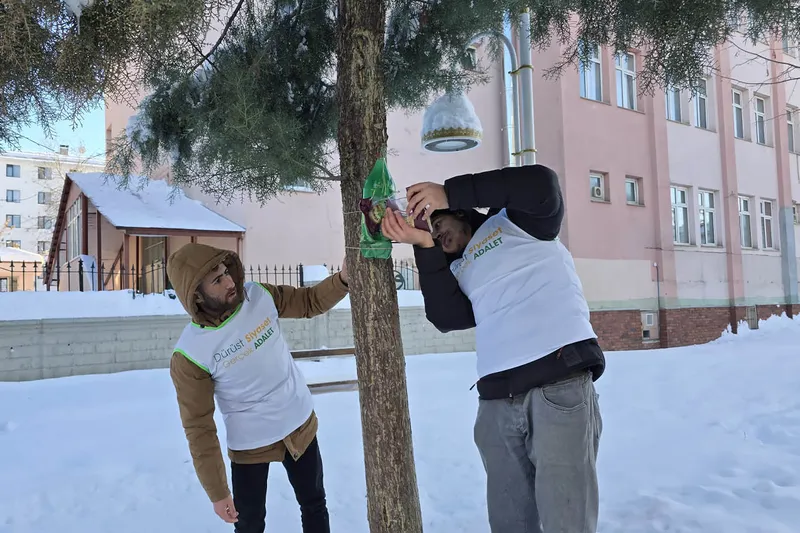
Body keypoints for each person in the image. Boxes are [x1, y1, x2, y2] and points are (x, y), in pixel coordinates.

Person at [381, 164, 605, 533]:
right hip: (497, 403)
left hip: (558, 383)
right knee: (509, 524)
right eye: (432, 233)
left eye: (438, 223)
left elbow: (541, 183)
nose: (437, 233)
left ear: (458, 212)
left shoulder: (520, 221)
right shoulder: (460, 270)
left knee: (567, 521)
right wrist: (423, 245)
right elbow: (446, 317)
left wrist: (449, 191)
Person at [166, 243, 349, 533]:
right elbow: (199, 426)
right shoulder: (190, 354)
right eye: (217, 280)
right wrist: (217, 491)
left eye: (226, 272)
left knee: (314, 504)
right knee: (249, 525)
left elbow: (309, 301)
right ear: (196, 295)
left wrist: (343, 279)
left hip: (298, 425)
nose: (229, 282)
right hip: (249, 446)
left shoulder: (258, 295)